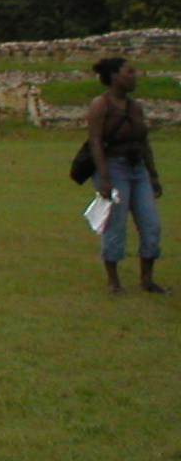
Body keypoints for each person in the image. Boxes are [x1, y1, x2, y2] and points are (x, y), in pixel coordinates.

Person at [87, 57, 164, 295]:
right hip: (114, 168)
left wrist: (152, 174)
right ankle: (113, 281)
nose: (134, 76)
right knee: (115, 225)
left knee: (151, 225)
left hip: (137, 168)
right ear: (114, 76)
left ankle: (147, 280)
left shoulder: (135, 107)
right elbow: (95, 142)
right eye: (129, 72)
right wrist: (104, 176)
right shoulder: (101, 105)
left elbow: (143, 142)